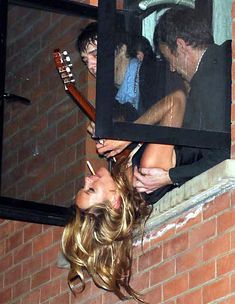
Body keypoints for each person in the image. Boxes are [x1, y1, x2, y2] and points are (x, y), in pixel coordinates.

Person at [133, 7, 231, 196]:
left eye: (169, 58)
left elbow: (223, 154)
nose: (171, 68)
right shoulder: (225, 55)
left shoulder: (208, 81)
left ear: (181, 46)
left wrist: (170, 176)